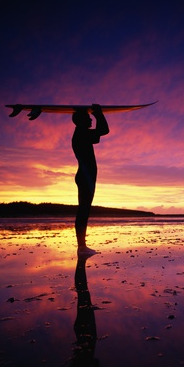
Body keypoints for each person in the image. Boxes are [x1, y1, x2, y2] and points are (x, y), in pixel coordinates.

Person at [72, 104, 109, 255]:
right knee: (83, 210)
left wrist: (96, 114)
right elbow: (104, 130)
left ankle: (82, 246)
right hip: (86, 176)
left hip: (86, 175)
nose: (91, 120)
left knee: (84, 210)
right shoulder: (81, 133)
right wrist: (98, 113)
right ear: (81, 121)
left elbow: (99, 136)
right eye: (88, 118)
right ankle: (81, 247)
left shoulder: (81, 133)